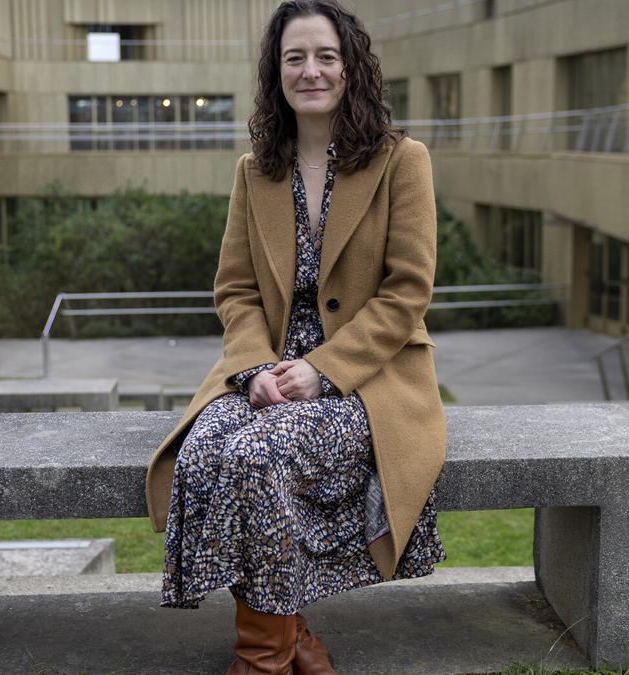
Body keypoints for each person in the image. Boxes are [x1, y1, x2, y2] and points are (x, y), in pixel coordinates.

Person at [144, 1, 446, 671]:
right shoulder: (256, 170)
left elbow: (406, 293)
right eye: (294, 58)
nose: (310, 70)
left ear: (350, 67)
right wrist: (255, 369)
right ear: (276, 71)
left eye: (325, 56)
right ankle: (294, 636)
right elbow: (237, 289)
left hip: (365, 379)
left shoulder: (403, 160)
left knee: (257, 454)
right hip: (268, 371)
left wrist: (323, 370)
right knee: (206, 449)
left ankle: (262, 660)